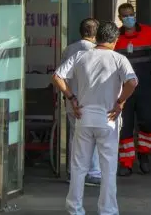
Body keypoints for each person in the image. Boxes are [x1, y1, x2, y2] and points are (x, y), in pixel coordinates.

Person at [53, 21, 138, 215]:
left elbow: (57, 76)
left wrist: (72, 98)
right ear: (115, 40)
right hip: (108, 118)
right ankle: (107, 210)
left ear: (97, 37)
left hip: (83, 116)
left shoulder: (80, 56)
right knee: (108, 168)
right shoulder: (119, 59)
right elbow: (132, 82)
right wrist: (120, 102)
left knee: (78, 166)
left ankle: (75, 208)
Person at [113, 3, 151, 176]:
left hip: (146, 86)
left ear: (134, 15)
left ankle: (144, 157)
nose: (129, 18)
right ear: (120, 18)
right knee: (125, 126)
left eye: (131, 14)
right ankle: (126, 163)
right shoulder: (115, 37)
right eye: (125, 16)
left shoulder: (148, 32)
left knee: (148, 122)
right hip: (124, 88)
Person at [61, 18, 101, 186]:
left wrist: (69, 97)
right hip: (92, 102)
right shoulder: (97, 52)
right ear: (96, 33)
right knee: (93, 137)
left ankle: (74, 172)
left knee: (75, 137)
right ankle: (92, 172)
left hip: (73, 101)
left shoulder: (69, 49)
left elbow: (61, 76)